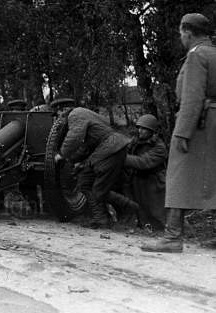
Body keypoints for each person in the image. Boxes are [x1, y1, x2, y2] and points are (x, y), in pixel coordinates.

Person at [142, 13, 216, 252]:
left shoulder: (196, 56)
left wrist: (182, 132)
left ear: (188, 32)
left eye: (181, 33)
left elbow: (192, 98)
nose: (181, 37)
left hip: (198, 123)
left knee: (178, 176)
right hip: (212, 120)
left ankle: (173, 237)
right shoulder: (213, 53)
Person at [55, 107, 134, 228]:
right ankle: (102, 218)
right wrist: (71, 159)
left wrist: (61, 154)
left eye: (58, 114)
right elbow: (87, 146)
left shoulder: (75, 114)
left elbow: (74, 137)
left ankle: (130, 208)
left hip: (110, 148)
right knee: (87, 182)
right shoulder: (85, 113)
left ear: (63, 111)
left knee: (96, 188)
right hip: (111, 148)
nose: (58, 119)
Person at [124, 114, 167, 231]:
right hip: (138, 179)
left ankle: (162, 230)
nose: (140, 131)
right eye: (139, 128)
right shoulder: (136, 141)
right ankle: (143, 226)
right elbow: (126, 149)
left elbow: (143, 162)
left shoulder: (159, 147)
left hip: (154, 181)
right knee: (140, 208)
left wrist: (121, 158)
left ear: (151, 131)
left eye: (144, 129)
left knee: (156, 211)